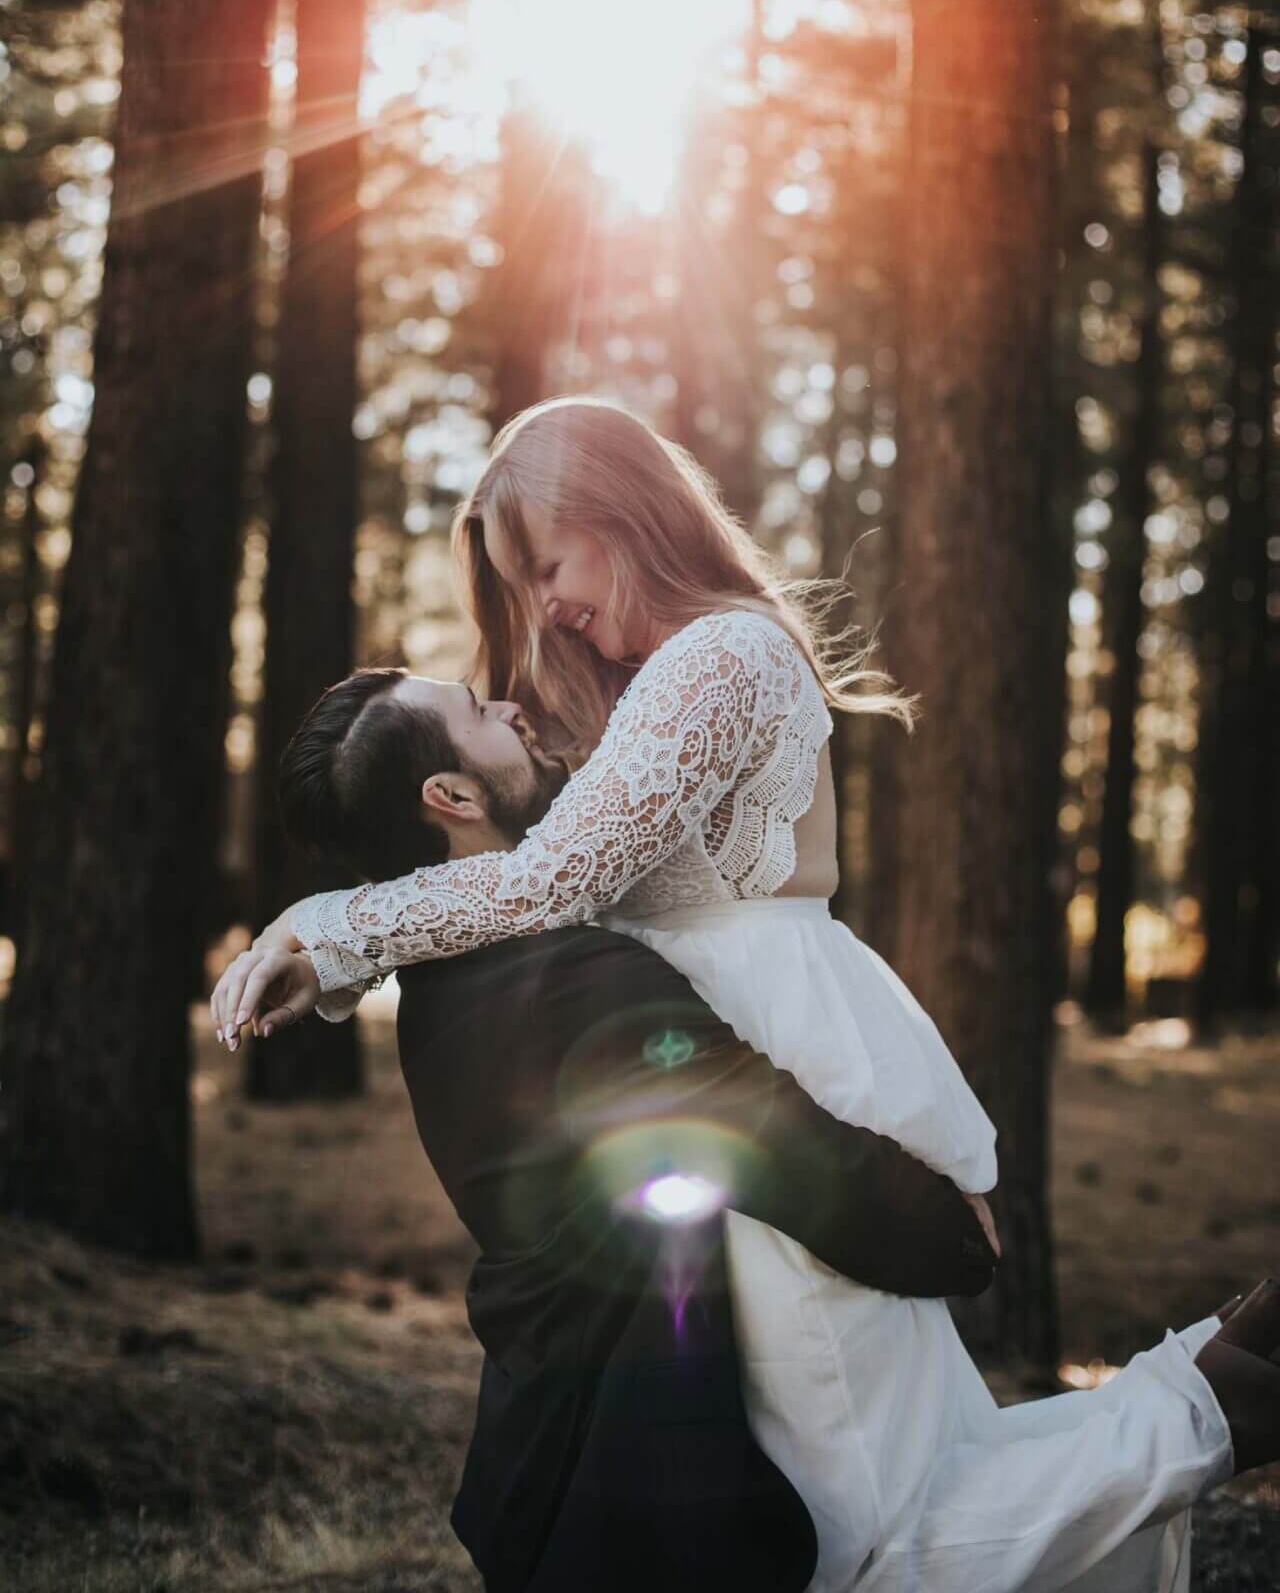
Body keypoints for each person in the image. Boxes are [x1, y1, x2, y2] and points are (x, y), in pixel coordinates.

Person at [214, 399, 1280, 1592]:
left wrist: (340, 925)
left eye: (550, 567)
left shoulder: (719, 659)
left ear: (622, 517)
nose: (546, 606)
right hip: (736, 1057)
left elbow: (555, 876)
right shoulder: (647, 684)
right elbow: (494, 844)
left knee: (877, 1526)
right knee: (917, 1475)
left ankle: (1220, 1400)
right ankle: (1223, 1377)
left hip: (776, 1057)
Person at [268, 664, 1000, 1593]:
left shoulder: (440, 983)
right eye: (474, 710)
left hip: (546, 1448)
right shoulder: (570, 981)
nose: (509, 707)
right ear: (450, 796)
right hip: (635, 1481)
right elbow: (775, 1142)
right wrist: (950, 1238)